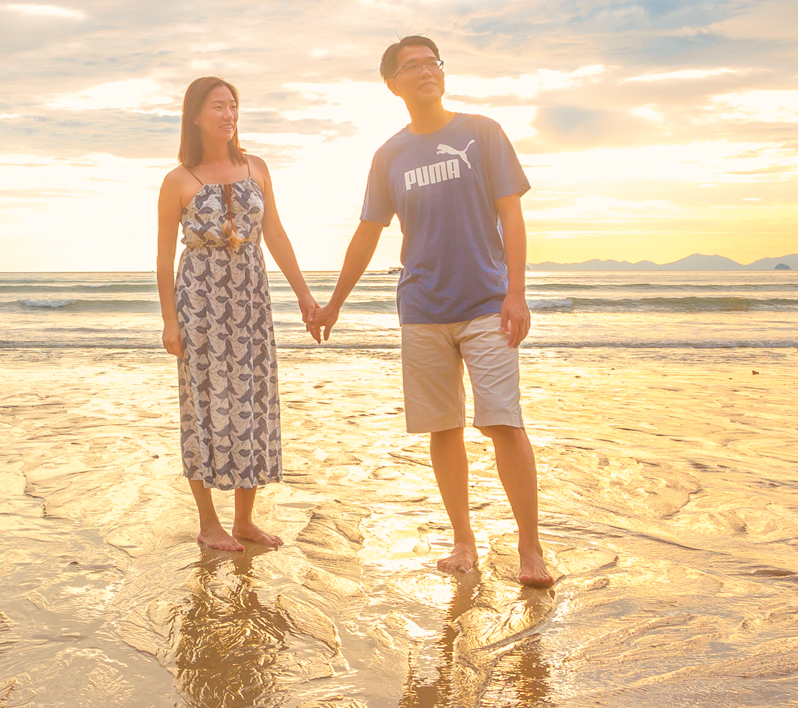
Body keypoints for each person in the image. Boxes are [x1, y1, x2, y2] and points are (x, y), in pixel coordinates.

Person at [313, 37, 553, 585]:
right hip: (422, 307)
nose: (426, 71)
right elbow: (367, 233)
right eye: (412, 66)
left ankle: (530, 549)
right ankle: (463, 542)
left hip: (486, 303)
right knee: (442, 429)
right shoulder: (389, 155)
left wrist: (516, 293)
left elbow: (511, 217)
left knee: (503, 422)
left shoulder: (482, 132)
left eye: (432, 63)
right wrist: (334, 304)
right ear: (392, 84)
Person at [157, 76, 323, 553]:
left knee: (252, 401)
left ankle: (245, 521)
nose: (228, 115)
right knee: (204, 408)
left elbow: (277, 236)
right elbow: (163, 257)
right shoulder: (177, 181)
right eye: (218, 107)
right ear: (195, 116)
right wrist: (170, 322)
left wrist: (306, 298)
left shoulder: (257, 167)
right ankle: (209, 523)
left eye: (233, 106)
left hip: (251, 303)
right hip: (200, 306)